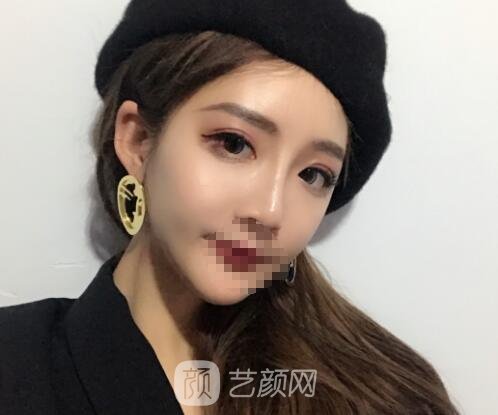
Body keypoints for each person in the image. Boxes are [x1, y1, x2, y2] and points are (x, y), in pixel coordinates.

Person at [0, 1, 461, 414]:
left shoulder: (384, 396)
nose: (271, 211)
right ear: (139, 141)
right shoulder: (15, 363)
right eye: (234, 144)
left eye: (313, 175)